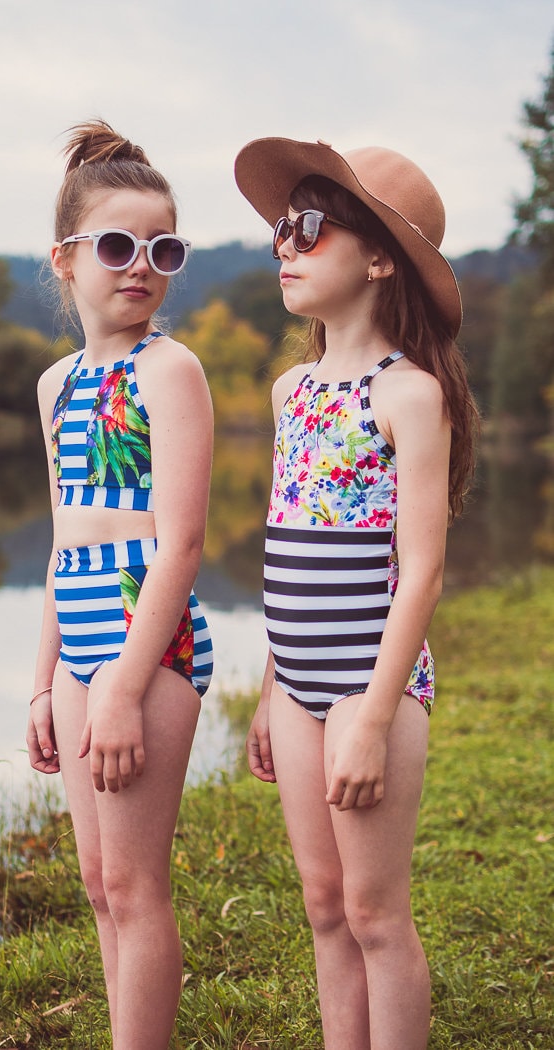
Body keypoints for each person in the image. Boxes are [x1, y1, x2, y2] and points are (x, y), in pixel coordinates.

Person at [234, 136, 479, 1050]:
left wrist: (374, 714)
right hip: (296, 686)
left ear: (379, 257)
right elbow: (283, 551)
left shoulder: (408, 394)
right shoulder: (290, 391)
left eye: (308, 227)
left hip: (370, 684)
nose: (284, 247)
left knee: (377, 915)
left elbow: (422, 570)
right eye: (281, 231)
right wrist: (269, 689)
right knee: (325, 907)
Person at [26, 120, 214, 1050]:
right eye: (115, 245)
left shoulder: (170, 369)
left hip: (151, 640)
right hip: (79, 642)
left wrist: (125, 688)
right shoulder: (57, 385)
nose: (139, 266)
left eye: (162, 249)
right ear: (65, 259)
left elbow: (180, 546)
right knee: (99, 882)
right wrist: (44, 678)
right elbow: (62, 545)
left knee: (138, 885)